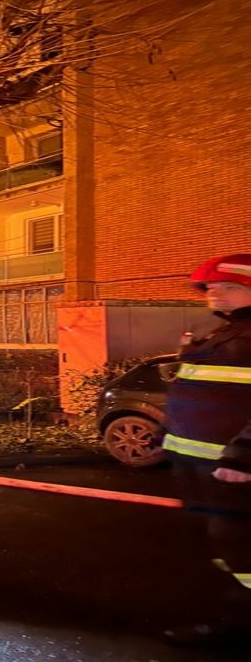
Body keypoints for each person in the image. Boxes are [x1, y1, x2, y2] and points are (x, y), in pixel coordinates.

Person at [161, 253, 251, 646]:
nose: (217, 295)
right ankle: (224, 612)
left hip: (231, 467)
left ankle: (238, 627)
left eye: (230, 287)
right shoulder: (222, 332)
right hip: (196, 462)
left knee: (242, 549)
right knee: (217, 545)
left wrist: (244, 456)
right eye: (212, 288)